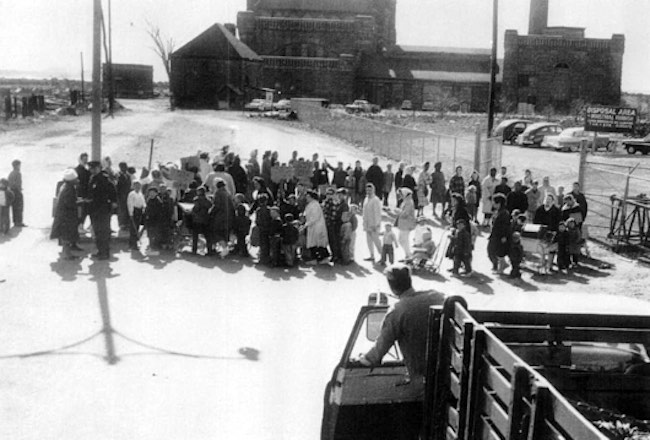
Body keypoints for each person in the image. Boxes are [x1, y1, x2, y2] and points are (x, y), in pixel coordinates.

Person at [359, 264, 446, 386]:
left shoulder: (397, 311)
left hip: (422, 377)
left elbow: (379, 351)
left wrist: (364, 358)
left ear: (392, 287)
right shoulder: (436, 296)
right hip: (446, 369)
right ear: (409, 280)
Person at [86, 160, 117, 260]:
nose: (93, 170)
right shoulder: (92, 179)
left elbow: (113, 192)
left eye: (95, 168)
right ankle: (100, 251)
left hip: (103, 209)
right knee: (97, 231)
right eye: (91, 168)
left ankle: (104, 253)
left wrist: (113, 202)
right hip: (94, 209)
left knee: (103, 231)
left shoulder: (105, 179)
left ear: (99, 168)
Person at [50, 169, 81, 260]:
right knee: (67, 235)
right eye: (75, 179)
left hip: (63, 215)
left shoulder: (65, 186)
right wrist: (78, 202)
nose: (77, 180)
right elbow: (69, 203)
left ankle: (67, 253)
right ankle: (67, 254)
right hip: (66, 216)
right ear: (72, 180)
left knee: (65, 235)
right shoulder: (69, 189)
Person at [300, 190, 330, 264]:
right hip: (313, 227)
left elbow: (314, 217)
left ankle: (321, 258)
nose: (306, 198)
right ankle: (316, 258)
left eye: (307, 196)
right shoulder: (311, 204)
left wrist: (306, 224)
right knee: (315, 243)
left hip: (316, 227)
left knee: (318, 243)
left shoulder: (315, 205)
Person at [211, 179, 235, 257]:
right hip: (228, 218)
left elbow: (216, 206)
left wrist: (210, 212)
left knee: (216, 233)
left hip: (220, 217)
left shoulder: (218, 193)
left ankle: (224, 249)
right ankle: (221, 248)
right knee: (224, 233)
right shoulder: (228, 194)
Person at [488, 193, 511, 274]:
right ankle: (497, 266)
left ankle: (501, 267)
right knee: (491, 251)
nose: (493, 203)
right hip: (494, 234)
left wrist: (504, 236)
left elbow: (506, 226)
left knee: (498, 252)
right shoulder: (497, 211)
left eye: (494, 202)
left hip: (500, 235)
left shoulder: (504, 213)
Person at [362, 183, 383, 262]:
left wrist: (376, 224)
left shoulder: (376, 200)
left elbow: (377, 213)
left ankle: (382, 256)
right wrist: (364, 223)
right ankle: (372, 255)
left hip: (374, 224)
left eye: (370, 190)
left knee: (376, 241)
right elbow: (364, 212)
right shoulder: (366, 199)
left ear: (373, 190)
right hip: (367, 224)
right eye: (367, 190)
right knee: (369, 240)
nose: (368, 191)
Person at [191, 186, 214, 256]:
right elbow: (211, 207)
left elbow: (195, 209)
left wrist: (192, 212)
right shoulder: (208, 200)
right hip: (206, 220)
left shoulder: (196, 200)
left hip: (197, 219)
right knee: (208, 236)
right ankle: (209, 250)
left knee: (195, 236)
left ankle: (194, 250)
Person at [396, 187, 416, 261]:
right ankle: (408, 255)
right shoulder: (406, 201)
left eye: (401, 194)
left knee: (403, 240)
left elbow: (406, 214)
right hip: (404, 224)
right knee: (402, 240)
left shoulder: (409, 202)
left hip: (406, 224)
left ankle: (408, 256)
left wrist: (398, 212)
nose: (400, 195)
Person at [144, 186, 165, 256]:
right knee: (150, 234)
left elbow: (159, 213)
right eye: (150, 193)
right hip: (149, 220)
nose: (151, 194)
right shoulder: (149, 200)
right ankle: (151, 247)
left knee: (154, 235)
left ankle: (154, 248)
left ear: (156, 193)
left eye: (153, 193)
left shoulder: (158, 201)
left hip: (156, 221)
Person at [126, 181, 146, 250]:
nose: (138, 187)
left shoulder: (140, 194)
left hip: (139, 211)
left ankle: (133, 242)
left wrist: (144, 208)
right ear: (133, 186)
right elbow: (130, 204)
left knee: (137, 227)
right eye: (136, 186)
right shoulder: (131, 194)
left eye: (139, 186)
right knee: (133, 228)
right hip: (134, 211)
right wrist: (131, 213)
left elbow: (143, 202)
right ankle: (133, 244)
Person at [75, 153, 91, 231]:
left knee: (84, 210)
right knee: (80, 210)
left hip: (85, 194)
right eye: (84, 160)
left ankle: (81, 225)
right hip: (79, 194)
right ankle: (79, 226)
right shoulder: (77, 170)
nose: (85, 161)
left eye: (86, 160)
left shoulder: (86, 171)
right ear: (80, 160)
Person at [7, 159, 25, 227]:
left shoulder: (11, 173)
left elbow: (9, 183)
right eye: (19, 165)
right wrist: (19, 190)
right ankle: (19, 222)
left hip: (12, 192)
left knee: (14, 207)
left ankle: (15, 221)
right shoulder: (18, 173)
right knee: (19, 207)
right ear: (17, 166)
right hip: (17, 192)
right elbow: (17, 184)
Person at [116, 162, 132, 231]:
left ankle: (126, 223)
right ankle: (121, 224)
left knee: (127, 209)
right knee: (121, 210)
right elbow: (117, 187)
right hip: (121, 195)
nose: (125, 168)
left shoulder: (128, 176)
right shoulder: (118, 175)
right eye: (123, 167)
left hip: (127, 195)